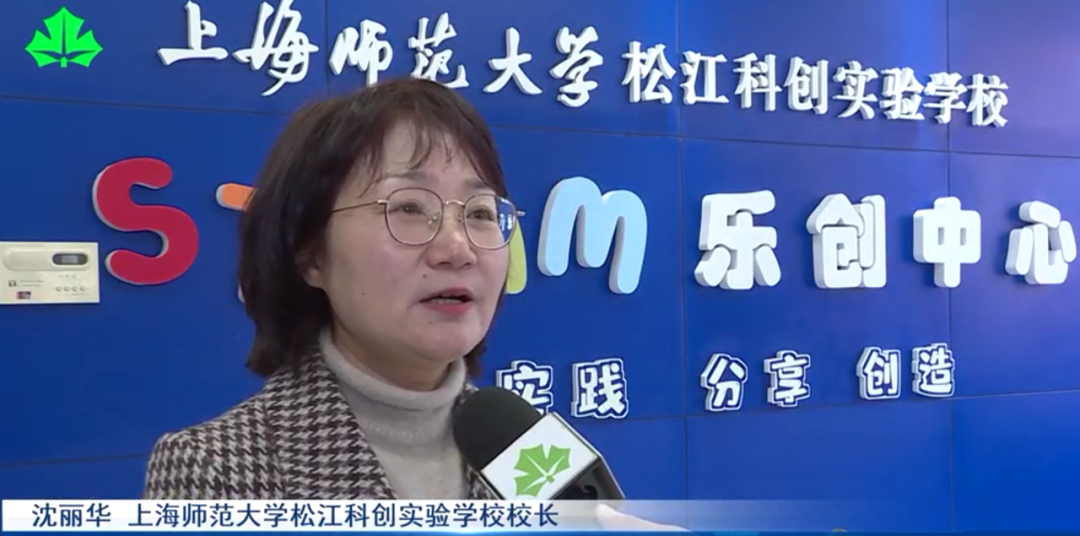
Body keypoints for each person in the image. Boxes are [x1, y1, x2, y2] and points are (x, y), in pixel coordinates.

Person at [143, 77, 516, 501]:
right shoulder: (215, 470)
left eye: (481, 213)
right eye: (409, 207)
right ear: (312, 256)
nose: (458, 248)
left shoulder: (527, 449)